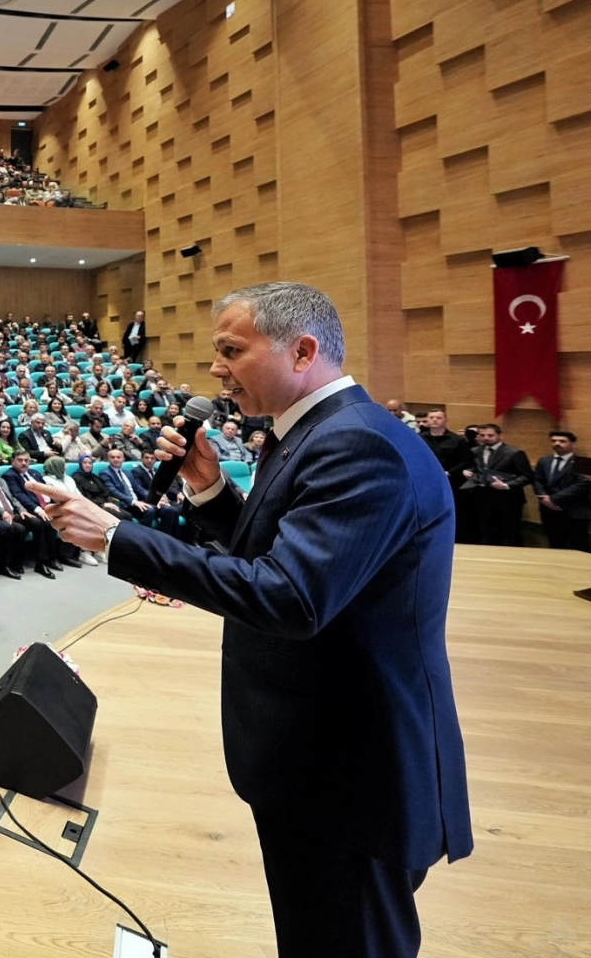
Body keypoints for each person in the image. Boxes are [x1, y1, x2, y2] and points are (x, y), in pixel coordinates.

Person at [36, 281, 470, 958]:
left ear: (302, 351)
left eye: (231, 350)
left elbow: (290, 597)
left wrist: (117, 539)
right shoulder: (314, 435)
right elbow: (281, 558)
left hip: (350, 773)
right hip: (317, 761)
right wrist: (209, 490)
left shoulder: (360, 448)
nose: (214, 370)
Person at [533, 430, 589, 552]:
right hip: (549, 512)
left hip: (574, 511)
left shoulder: (583, 462)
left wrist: (552, 499)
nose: (557, 443)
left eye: (562, 441)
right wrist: (544, 498)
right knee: (555, 544)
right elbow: (537, 480)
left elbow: (582, 484)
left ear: (573, 444)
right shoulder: (544, 461)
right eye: (554, 441)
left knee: (578, 546)